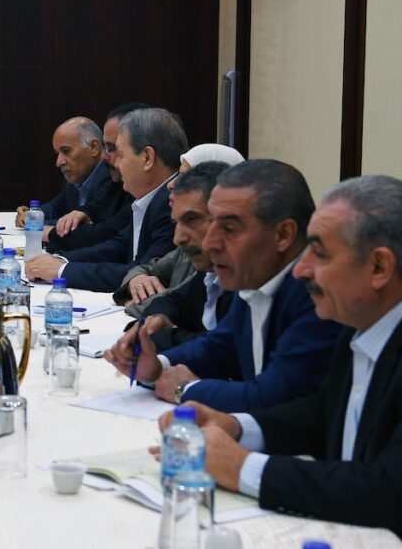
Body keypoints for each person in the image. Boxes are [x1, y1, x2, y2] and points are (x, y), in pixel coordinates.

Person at [156, 176, 402, 535]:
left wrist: (241, 467)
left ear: (379, 267)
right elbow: (322, 414)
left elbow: (388, 491)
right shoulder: (359, 324)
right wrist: (237, 427)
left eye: (320, 254)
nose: (301, 270)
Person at [104, 160, 343, 411]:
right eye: (213, 224)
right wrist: (156, 365)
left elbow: (275, 399)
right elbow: (220, 346)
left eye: (228, 228)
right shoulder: (256, 277)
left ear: (283, 234)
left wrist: (186, 390)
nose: (211, 243)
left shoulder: (318, 295)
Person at [25, 107, 187, 292]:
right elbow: (120, 246)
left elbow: (141, 274)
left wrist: (62, 271)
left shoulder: (173, 204)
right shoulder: (152, 198)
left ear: (147, 158)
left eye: (121, 155)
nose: (115, 163)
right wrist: (61, 261)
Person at [113, 145, 244, 314]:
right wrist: (136, 280)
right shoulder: (186, 248)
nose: (171, 184)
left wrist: (138, 302)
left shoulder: (230, 268)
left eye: (184, 178)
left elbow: (181, 305)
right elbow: (144, 269)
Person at [128, 161, 236, 350]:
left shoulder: (247, 278)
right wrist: (156, 319)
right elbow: (175, 301)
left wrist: (164, 336)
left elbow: (228, 349)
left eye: (191, 219)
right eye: (176, 223)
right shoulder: (211, 270)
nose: (178, 238)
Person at [44, 103, 146, 253]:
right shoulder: (115, 183)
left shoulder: (113, 179)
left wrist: (48, 234)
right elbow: (90, 210)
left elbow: (105, 236)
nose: (104, 156)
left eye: (113, 149)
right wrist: (33, 215)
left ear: (147, 157)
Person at [14, 117, 120, 233]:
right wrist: (32, 214)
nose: (59, 162)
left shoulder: (112, 179)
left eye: (66, 151)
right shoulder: (75, 178)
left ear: (93, 147)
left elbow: (86, 228)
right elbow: (54, 207)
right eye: (58, 153)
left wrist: (34, 221)